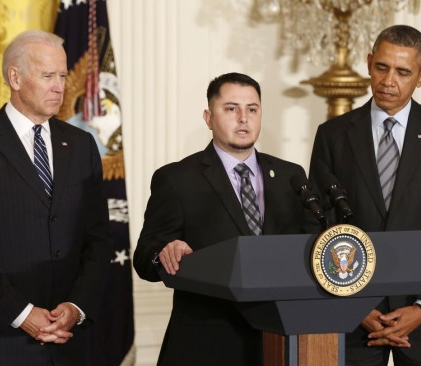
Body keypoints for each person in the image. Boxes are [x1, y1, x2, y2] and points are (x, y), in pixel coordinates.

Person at [308, 25, 421, 366]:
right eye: (382, 67)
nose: (388, 81)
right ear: (369, 62)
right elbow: (319, 228)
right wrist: (353, 304)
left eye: (403, 72)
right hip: (351, 321)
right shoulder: (332, 135)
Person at [0, 30, 112, 366]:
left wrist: (75, 308)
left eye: (62, 75)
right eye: (47, 75)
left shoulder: (82, 145)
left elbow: (99, 239)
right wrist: (22, 314)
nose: (60, 86)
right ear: (15, 78)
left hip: (70, 341)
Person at [134, 72, 312, 366]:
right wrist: (164, 254)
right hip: (207, 343)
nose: (243, 118)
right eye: (231, 109)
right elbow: (145, 258)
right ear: (208, 117)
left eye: (252, 109)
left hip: (279, 339)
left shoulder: (290, 176)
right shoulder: (177, 179)